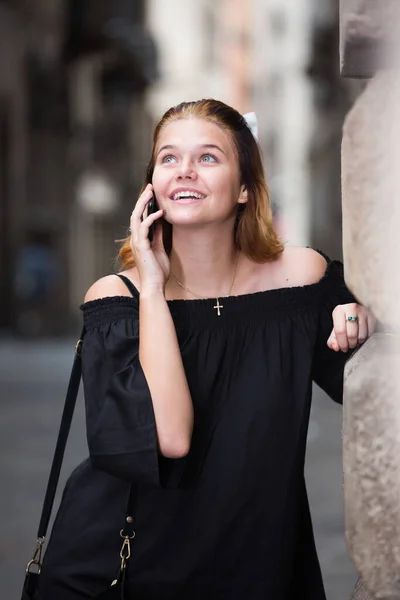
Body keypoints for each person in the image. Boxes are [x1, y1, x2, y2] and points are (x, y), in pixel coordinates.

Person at [39, 99, 375, 600]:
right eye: (169, 158)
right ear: (151, 184)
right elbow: (170, 439)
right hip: (125, 571)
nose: (185, 172)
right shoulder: (117, 300)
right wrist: (153, 288)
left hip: (258, 566)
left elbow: (372, 388)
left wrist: (366, 320)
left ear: (244, 188)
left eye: (208, 157)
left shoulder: (303, 280)